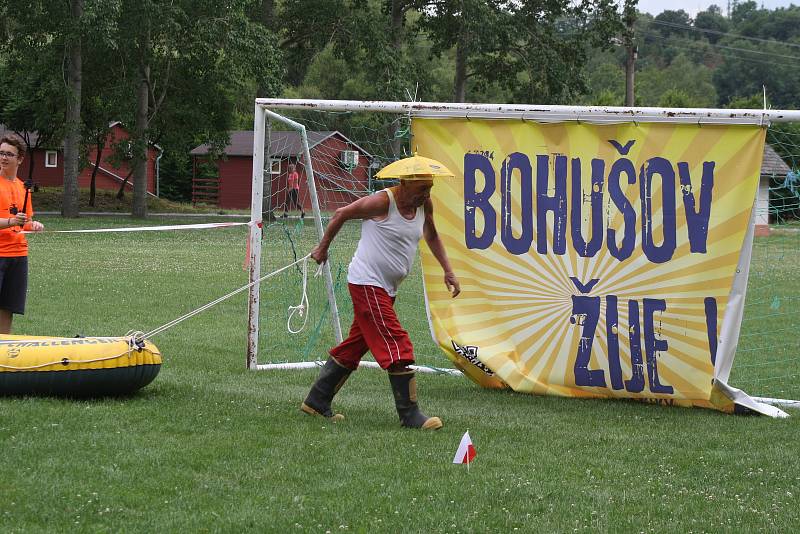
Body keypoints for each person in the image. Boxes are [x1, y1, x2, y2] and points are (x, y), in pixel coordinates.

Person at [301, 155, 460, 430]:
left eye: (430, 188)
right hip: (367, 283)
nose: (427, 194)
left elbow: (431, 235)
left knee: (355, 345)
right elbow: (341, 214)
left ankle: (316, 400)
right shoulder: (382, 202)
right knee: (395, 341)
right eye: (422, 188)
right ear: (404, 183)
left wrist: (448, 270)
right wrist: (322, 248)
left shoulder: (425, 206)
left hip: (387, 289)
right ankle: (410, 415)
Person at [0, 135, 44, 334]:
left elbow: (24, 223)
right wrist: (11, 222)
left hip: (18, 255)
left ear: (20, 159)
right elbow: (13, 221)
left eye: (9, 154)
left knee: (8, 308)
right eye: (1, 153)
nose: (4, 157)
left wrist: (32, 225)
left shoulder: (22, 187)